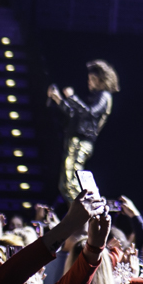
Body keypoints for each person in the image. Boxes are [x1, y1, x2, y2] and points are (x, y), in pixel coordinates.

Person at [47, 60, 120, 200]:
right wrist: (59, 99)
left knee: (72, 183)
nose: (89, 82)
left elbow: (90, 113)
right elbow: (75, 115)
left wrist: (72, 97)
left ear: (99, 80)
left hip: (81, 141)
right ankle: (77, 211)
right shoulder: (95, 96)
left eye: (92, 79)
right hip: (74, 140)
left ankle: (84, 211)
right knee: (65, 185)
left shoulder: (104, 96)